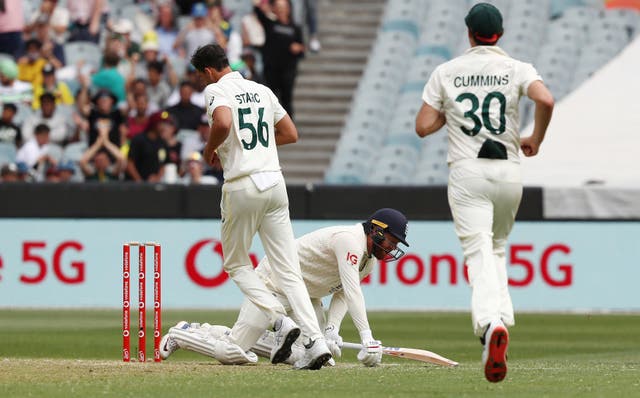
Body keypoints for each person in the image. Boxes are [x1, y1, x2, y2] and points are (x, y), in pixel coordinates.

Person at [414, 3, 554, 383]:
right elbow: (546, 99)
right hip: (508, 171)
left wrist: (449, 110)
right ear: (500, 34)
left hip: (467, 172)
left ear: (469, 33)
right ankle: (502, 319)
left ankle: (490, 326)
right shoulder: (516, 68)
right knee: (497, 248)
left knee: (478, 252)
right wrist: (535, 139)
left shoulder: (447, 71)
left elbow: (423, 126)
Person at [189, 43, 331, 369]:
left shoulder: (216, 89)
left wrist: (212, 149)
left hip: (243, 184)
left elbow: (223, 123)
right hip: (275, 183)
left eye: (201, 77)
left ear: (208, 71)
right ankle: (316, 341)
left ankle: (280, 321)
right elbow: (291, 133)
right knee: (289, 270)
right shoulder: (261, 89)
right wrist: (261, 142)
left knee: (237, 264)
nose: (202, 82)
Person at [159, 209, 410, 368]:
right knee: (231, 351)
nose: (391, 248)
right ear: (377, 231)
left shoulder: (369, 261)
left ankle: (213, 332)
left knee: (310, 356)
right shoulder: (349, 239)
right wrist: (366, 337)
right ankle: (182, 334)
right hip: (273, 285)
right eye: (392, 240)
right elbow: (354, 290)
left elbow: (344, 294)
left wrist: (332, 330)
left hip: (306, 298)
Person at [253, 0, 305, 118]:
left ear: (289, 9)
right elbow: (257, 10)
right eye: (278, 7)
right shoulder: (270, 24)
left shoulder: (295, 28)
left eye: (283, 7)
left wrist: (298, 48)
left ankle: (288, 127)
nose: (281, 10)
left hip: (288, 70)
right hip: (271, 69)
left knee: (286, 99)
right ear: (274, 9)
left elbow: (302, 49)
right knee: (270, 99)